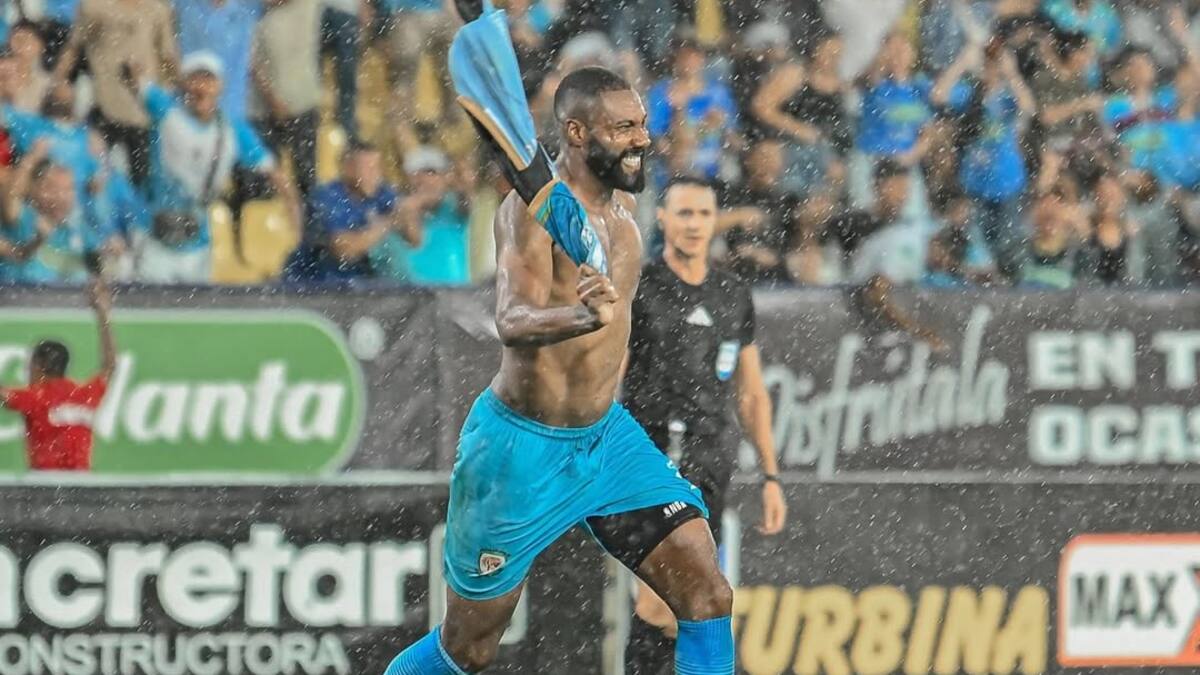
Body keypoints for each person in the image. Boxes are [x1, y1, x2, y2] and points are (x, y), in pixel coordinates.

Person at [384, 66, 735, 674]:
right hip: (519, 452)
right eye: (623, 128)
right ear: (577, 132)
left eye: (642, 124)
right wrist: (580, 315)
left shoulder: (626, 212)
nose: (642, 139)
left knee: (707, 593)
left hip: (606, 439)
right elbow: (510, 320)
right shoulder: (528, 213)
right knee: (468, 647)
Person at [622, 176, 787, 674]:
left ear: (716, 221)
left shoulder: (732, 293)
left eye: (703, 214)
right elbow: (611, 375)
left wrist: (771, 475)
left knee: (695, 604)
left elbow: (751, 392)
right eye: (684, 213)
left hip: (710, 458)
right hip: (651, 455)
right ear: (663, 219)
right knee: (661, 599)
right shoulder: (641, 287)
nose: (694, 224)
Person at [122, 51, 300, 283]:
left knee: (195, 303)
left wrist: (292, 207)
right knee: (148, 301)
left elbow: (272, 171)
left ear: (220, 86)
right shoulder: (166, 110)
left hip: (197, 243)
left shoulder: (232, 130)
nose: (202, 87)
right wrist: (132, 67)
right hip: (153, 237)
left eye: (208, 79)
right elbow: (134, 81)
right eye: (195, 79)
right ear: (185, 84)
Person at [53, 0, 180, 187]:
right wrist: (59, 81)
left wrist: (179, 91)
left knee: (142, 183)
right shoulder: (94, 6)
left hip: (142, 113)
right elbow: (74, 47)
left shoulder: (157, 10)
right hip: (104, 105)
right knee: (91, 177)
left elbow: (168, 57)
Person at [0, 278, 115, 471]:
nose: (27, 372)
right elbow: (110, 365)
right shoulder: (85, 395)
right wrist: (103, 313)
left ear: (40, 366)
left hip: (45, 485)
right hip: (83, 485)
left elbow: (4, 395)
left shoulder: (36, 398)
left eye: (30, 365)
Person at [285, 139, 420, 282]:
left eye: (377, 167)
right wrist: (387, 223)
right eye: (368, 168)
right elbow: (344, 251)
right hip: (315, 284)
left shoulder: (382, 193)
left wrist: (408, 211)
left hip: (360, 285)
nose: (375, 175)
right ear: (348, 169)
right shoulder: (326, 198)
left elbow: (414, 240)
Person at [371, 145, 471, 285]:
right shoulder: (396, 208)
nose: (425, 179)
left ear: (445, 178)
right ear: (408, 179)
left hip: (455, 293)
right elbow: (412, 236)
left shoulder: (453, 207)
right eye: (418, 174)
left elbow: (467, 190)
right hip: (412, 294)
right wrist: (418, 201)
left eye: (432, 173)